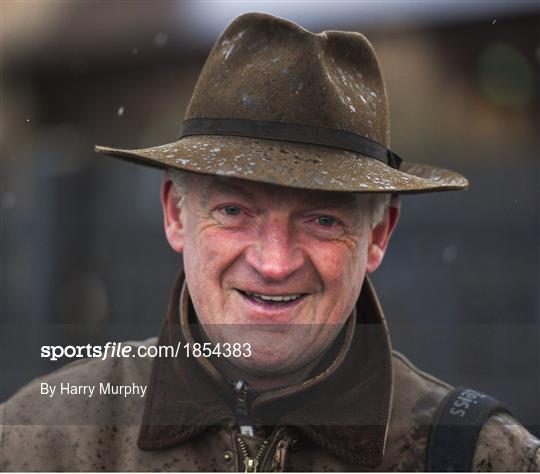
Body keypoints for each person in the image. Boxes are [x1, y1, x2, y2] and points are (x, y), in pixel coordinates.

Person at [1, 12, 538, 472]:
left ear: (377, 235)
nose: (274, 262)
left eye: (322, 220)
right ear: (174, 213)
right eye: (234, 211)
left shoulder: (475, 457)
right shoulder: (39, 444)